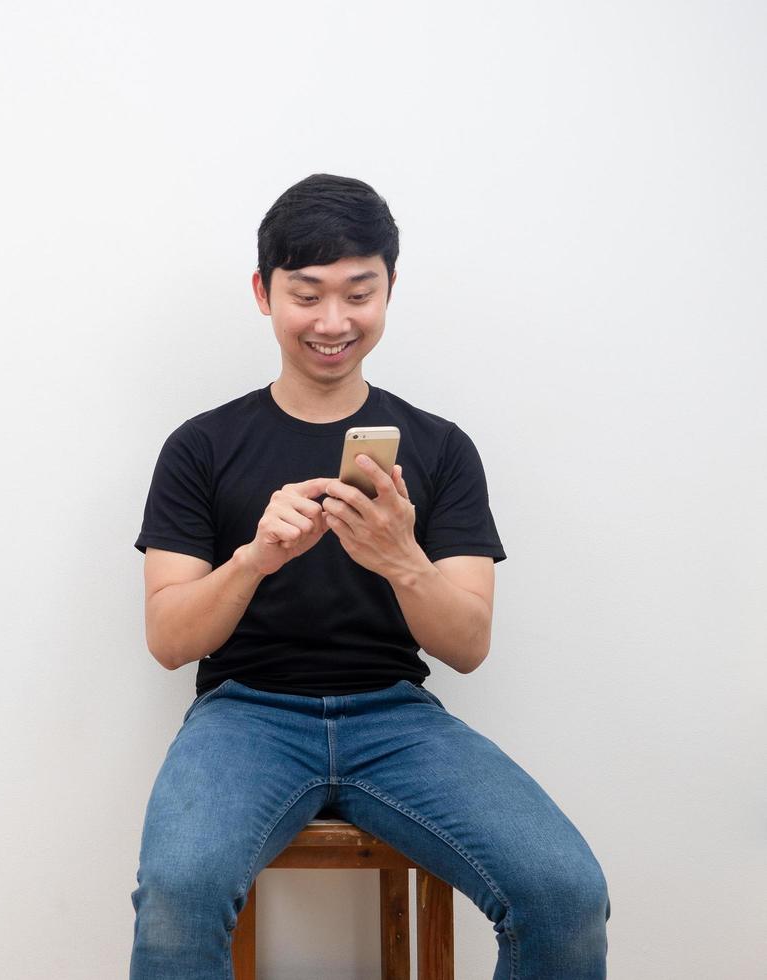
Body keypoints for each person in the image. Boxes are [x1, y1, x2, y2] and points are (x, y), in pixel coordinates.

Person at [128, 174, 610, 979]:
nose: (331, 321)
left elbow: (466, 646)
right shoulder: (200, 446)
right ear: (262, 293)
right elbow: (170, 642)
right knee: (178, 894)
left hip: (396, 719)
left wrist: (399, 559)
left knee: (564, 893)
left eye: (359, 292)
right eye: (305, 293)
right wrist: (253, 559)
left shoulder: (442, 448)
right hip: (244, 715)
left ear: (389, 290)